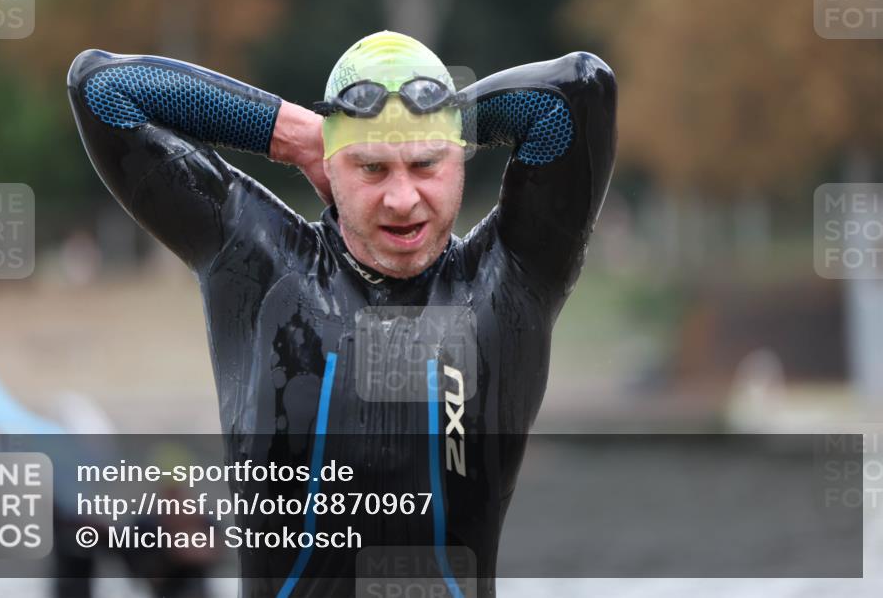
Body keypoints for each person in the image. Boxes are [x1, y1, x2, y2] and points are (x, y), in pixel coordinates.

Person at [68, 30, 616, 597]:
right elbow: (103, 90)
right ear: (331, 163)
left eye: (426, 163)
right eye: (371, 167)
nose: (402, 199)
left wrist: (447, 118)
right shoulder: (260, 266)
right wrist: (295, 136)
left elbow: (580, 90)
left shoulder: (508, 282)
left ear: (459, 160)